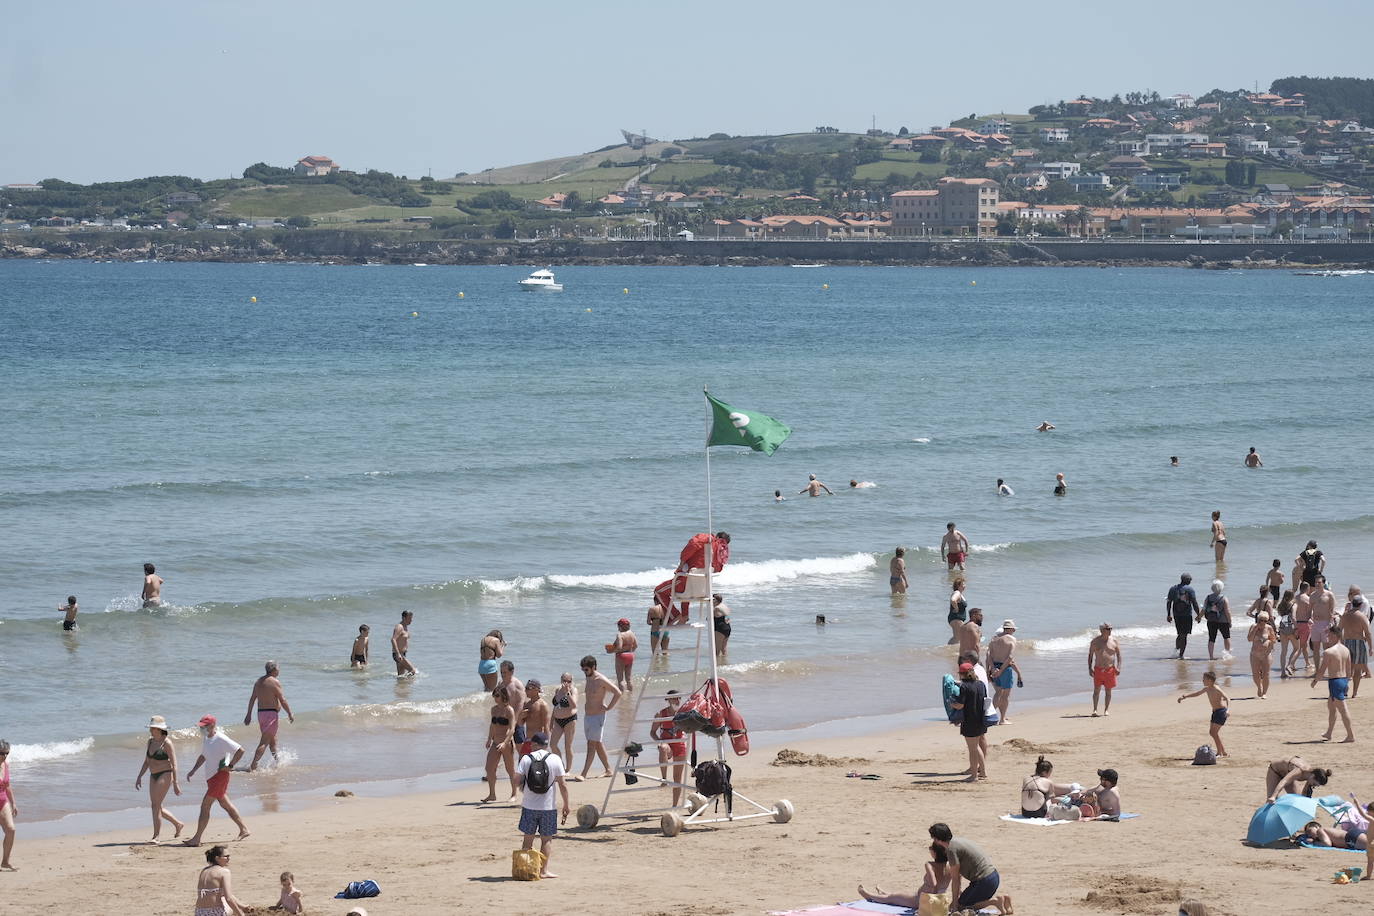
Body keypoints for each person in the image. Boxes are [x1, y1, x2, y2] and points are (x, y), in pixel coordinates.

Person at [182, 716, 249, 847]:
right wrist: (193, 770)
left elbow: (240, 750)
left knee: (205, 806)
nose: (202, 729)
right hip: (211, 779)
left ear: (212, 725)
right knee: (225, 804)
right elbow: (203, 756)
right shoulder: (207, 738)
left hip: (220, 776)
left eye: (204, 726)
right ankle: (244, 829)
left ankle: (197, 838)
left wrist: (230, 766)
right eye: (201, 726)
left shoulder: (221, 738)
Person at [515, 732, 570, 879]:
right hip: (548, 807)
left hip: (529, 806)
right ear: (546, 745)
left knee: (528, 839)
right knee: (546, 839)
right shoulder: (555, 759)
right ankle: (543, 871)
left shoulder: (526, 758)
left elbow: (517, 780)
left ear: (533, 744)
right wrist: (566, 804)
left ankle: (526, 870)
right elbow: (563, 784)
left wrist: (523, 788)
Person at [927, 823, 1010, 915]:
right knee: (961, 902)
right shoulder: (958, 841)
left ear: (937, 840)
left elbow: (955, 879)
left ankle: (995, 901)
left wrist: (955, 904)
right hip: (993, 876)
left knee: (962, 907)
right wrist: (958, 898)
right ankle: (1005, 902)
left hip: (984, 881)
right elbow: (959, 876)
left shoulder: (951, 850)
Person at [857, 843, 952, 914]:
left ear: (935, 853)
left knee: (891, 898)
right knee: (898, 895)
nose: (929, 849)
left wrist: (929, 903)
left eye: (931, 848)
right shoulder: (949, 866)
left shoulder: (930, 865)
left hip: (920, 901)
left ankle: (869, 896)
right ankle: (883, 893)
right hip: (941, 901)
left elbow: (934, 884)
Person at [134, 714, 185, 842]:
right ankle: (178, 824)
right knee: (156, 806)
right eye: (150, 728)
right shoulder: (150, 741)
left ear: (159, 729)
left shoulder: (167, 743)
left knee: (155, 806)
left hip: (165, 774)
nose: (150, 730)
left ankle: (156, 836)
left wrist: (176, 783)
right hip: (153, 775)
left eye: (152, 728)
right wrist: (139, 776)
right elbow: (147, 762)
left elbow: (174, 764)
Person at [578, 655, 622, 779]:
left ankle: (583, 774)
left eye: (586, 669)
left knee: (591, 744)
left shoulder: (601, 679)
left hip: (598, 716)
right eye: (583, 669)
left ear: (593, 667)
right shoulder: (588, 678)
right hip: (588, 716)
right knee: (597, 743)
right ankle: (608, 770)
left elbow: (618, 692)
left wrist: (609, 707)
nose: (584, 672)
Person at [244, 661, 294, 770]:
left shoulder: (258, 682)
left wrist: (248, 715)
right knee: (264, 742)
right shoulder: (275, 682)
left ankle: (278, 763)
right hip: (271, 715)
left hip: (261, 714)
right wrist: (290, 713)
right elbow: (282, 700)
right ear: (274, 670)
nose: (279, 670)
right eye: (278, 668)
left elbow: (252, 699)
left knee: (273, 741)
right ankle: (253, 766)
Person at [1312, 626, 1355, 743]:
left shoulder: (1329, 652)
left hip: (1335, 681)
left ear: (1335, 636)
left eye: (1329, 635)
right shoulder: (1346, 650)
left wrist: (1315, 681)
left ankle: (1350, 735)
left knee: (1343, 710)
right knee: (1331, 707)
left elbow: (1321, 670)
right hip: (1343, 680)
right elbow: (1349, 669)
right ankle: (1329, 733)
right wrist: (1346, 683)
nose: (1328, 637)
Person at [1178, 671, 1230, 758]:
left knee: (1213, 733)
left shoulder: (1217, 689)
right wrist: (1185, 696)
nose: (1202, 680)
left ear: (1210, 680)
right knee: (1212, 733)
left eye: (1204, 679)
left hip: (1221, 712)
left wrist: (1228, 710)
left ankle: (1219, 753)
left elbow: (1228, 698)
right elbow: (1197, 694)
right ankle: (1223, 752)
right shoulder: (1207, 689)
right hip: (1215, 712)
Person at [480, 685, 517, 803]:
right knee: (489, 768)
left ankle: (514, 794)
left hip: (506, 743)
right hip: (495, 742)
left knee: (510, 770)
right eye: (494, 696)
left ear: (503, 696)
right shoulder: (494, 709)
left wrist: (505, 743)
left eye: (497, 696)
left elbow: (512, 729)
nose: (495, 698)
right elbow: (492, 725)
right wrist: (489, 739)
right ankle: (492, 794)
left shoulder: (509, 710)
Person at [952, 663, 988, 781]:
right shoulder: (981, 684)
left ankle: (974, 776)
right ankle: (983, 773)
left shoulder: (964, 687)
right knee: (976, 747)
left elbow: (960, 705)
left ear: (962, 674)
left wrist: (951, 704)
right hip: (981, 719)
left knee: (972, 749)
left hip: (969, 720)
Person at [651, 690, 686, 807]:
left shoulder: (683, 713)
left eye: (679, 698)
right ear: (668, 700)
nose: (677, 700)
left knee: (677, 778)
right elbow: (652, 732)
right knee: (662, 747)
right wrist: (659, 741)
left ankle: (674, 806)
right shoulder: (661, 714)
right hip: (667, 744)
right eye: (674, 698)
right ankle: (664, 779)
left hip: (680, 744)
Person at [986, 620, 1023, 725]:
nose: (1014, 631)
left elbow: (989, 656)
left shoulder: (994, 639)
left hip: (994, 667)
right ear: (1010, 629)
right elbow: (1010, 657)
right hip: (1005, 668)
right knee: (1005, 695)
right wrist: (1001, 670)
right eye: (1014, 629)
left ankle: (990, 717)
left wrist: (993, 669)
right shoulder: (1012, 639)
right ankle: (1002, 719)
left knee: (998, 693)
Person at [1339, 589, 1373, 698]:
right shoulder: (1362, 616)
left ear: (1352, 603)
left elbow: (1338, 630)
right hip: (1358, 643)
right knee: (1357, 669)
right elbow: (1368, 633)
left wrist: (1340, 642)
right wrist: (1371, 647)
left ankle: (1344, 691)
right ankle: (1354, 693)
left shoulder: (1345, 615)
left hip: (1347, 642)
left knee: (1347, 669)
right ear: (1361, 605)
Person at [195, 845, 245, 916]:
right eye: (226, 856)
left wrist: (242, 906)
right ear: (217, 858)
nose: (229, 859)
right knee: (227, 899)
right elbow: (229, 899)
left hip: (199, 912)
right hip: (215, 912)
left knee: (222, 893)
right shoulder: (224, 872)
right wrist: (241, 914)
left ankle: (244, 906)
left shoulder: (204, 871)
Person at [1088, 623, 1121, 717]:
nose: (1110, 630)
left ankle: (1106, 710)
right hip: (1098, 669)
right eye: (1108, 629)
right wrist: (1089, 668)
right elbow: (1090, 656)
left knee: (1108, 691)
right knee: (1096, 691)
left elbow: (1119, 655)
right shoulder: (1095, 642)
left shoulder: (1114, 641)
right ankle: (1095, 710)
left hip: (1110, 670)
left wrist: (1118, 667)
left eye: (1111, 628)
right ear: (1102, 630)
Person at [1265, 756, 1332, 802]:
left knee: (1297, 799)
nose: (1313, 786)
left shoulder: (1311, 776)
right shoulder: (1299, 771)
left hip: (1287, 773)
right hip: (1275, 772)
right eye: (1314, 784)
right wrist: (1273, 796)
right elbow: (1284, 781)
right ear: (1313, 776)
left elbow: (1304, 795)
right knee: (1271, 801)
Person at [1167, 573, 1202, 659]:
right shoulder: (1190, 589)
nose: (1191, 581)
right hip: (1186, 615)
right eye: (1190, 579)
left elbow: (1169, 602)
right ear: (1187, 580)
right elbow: (1194, 603)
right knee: (1184, 635)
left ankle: (1176, 651)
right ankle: (1181, 655)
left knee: (1180, 634)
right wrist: (1199, 615)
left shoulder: (1173, 588)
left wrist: (1168, 614)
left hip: (1176, 615)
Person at [549, 673, 578, 775]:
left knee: (567, 746)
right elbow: (555, 707)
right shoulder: (558, 690)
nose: (566, 683)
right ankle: (561, 766)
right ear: (561, 680)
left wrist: (567, 693)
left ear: (572, 681)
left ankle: (568, 769)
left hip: (570, 720)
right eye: (564, 681)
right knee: (553, 744)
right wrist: (551, 721)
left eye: (569, 681)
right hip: (558, 720)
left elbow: (574, 705)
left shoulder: (573, 690)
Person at [1246, 613, 1276, 699]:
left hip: (1266, 654)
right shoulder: (1253, 626)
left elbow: (1273, 640)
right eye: (1260, 620)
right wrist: (1255, 629)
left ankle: (1264, 693)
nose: (1262, 622)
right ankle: (1259, 687)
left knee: (1266, 674)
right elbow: (1249, 639)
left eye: (1265, 621)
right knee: (1255, 674)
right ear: (1257, 620)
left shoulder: (1269, 628)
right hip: (1255, 654)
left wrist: (1269, 643)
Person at [1310, 575, 1336, 669]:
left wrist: (1330, 623)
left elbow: (1332, 610)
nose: (1317, 584)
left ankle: (1328, 670)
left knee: (1326, 649)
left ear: (1324, 583)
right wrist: (1309, 619)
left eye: (1319, 582)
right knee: (1315, 649)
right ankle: (1317, 671)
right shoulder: (1312, 595)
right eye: (1316, 582)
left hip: (1326, 623)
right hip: (1315, 624)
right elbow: (1309, 610)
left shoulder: (1329, 595)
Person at [497, 661, 526, 746]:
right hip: (504, 718)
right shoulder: (500, 683)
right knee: (504, 744)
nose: (502, 674)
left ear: (512, 672)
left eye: (505, 672)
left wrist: (514, 720)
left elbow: (520, 703)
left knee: (520, 745)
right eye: (501, 672)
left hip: (516, 719)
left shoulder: (517, 685)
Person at [519, 680, 551, 758]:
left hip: (538, 741)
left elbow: (546, 726)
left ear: (536, 689)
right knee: (522, 761)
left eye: (528, 688)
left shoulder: (543, 705)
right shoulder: (527, 704)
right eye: (525, 688)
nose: (525, 691)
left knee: (536, 763)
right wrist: (520, 716)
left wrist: (546, 743)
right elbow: (520, 724)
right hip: (528, 740)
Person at [1202, 579, 1232, 660]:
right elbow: (1227, 611)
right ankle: (1227, 655)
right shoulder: (1224, 598)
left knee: (1211, 639)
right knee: (1226, 637)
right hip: (1223, 621)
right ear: (1221, 587)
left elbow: (1204, 609)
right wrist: (1230, 621)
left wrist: (1199, 617)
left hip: (1211, 620)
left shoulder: (1208, 597)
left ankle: (1211, 656)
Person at [608, 617, 639, 690]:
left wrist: (611, 651)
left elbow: (619, 647)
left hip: (621, 656)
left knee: (620, 679)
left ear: (620, 626)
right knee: (628, 679)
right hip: (630, 655)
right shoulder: (632, 633)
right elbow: (636, 645)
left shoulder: (620, 635)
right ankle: (630, 694)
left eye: (618, 625)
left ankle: (621, 695)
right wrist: (630, 651)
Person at [1275, 589, 1299, 677]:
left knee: (1284, 651)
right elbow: (1293, 617)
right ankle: (1289, 665)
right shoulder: (1293, 605)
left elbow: (1281, 616)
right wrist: (1297, 628)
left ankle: (1282, 672)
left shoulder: (1280, 605)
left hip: (1282, 627)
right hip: (1291, 627)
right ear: (1292, 596)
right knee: (1297, 648)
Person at [1300, 820, 1367, 850]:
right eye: (1308, 834)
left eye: (1310, 831)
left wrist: (1313, 842)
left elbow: (1327, 844)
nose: (1309, 834)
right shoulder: (1323, 834)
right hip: (1351, 837)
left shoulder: (1320, 830)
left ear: (1317, 827)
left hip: (1350, 838)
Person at [0, 738, 15, 871]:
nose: (4, 756)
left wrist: (13, 803)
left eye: (6, 753)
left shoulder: (6, 765)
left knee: (11, 830)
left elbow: (7, 785)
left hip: (3, 801)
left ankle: (5, 861)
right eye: (1, 753)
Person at [1293, 582, 1315, 673]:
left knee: (1302, 645)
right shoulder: (1308, 599)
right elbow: (1311, 613)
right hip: (1305, 624)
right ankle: (1291, 663)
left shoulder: (1295, 598)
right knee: (1302, 646)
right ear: (1307, 588)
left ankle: (1307, 663)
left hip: (1296, 624)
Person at [391, 610, 415, 676]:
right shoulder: (399, 627)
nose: (411, 620)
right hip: (398, 654)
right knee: (412, 671)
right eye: (409, 618)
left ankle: (402, 683)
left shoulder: (405, 627)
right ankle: (410, 682)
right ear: (404, 618)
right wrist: (398, 654)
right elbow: (393, 639)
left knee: (401, 675)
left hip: (402, 654)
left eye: (411, 618)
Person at [947, 578, 968, 644]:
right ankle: (949, 648)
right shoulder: (957, 593)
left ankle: (949, 648)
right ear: (958, 586)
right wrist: (956, 608)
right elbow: (953, 600)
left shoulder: (960, 594)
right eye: (963, 584)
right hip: (956, 618)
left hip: (957, 619)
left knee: (958, 637)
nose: (965, 586)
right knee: (958, 637)